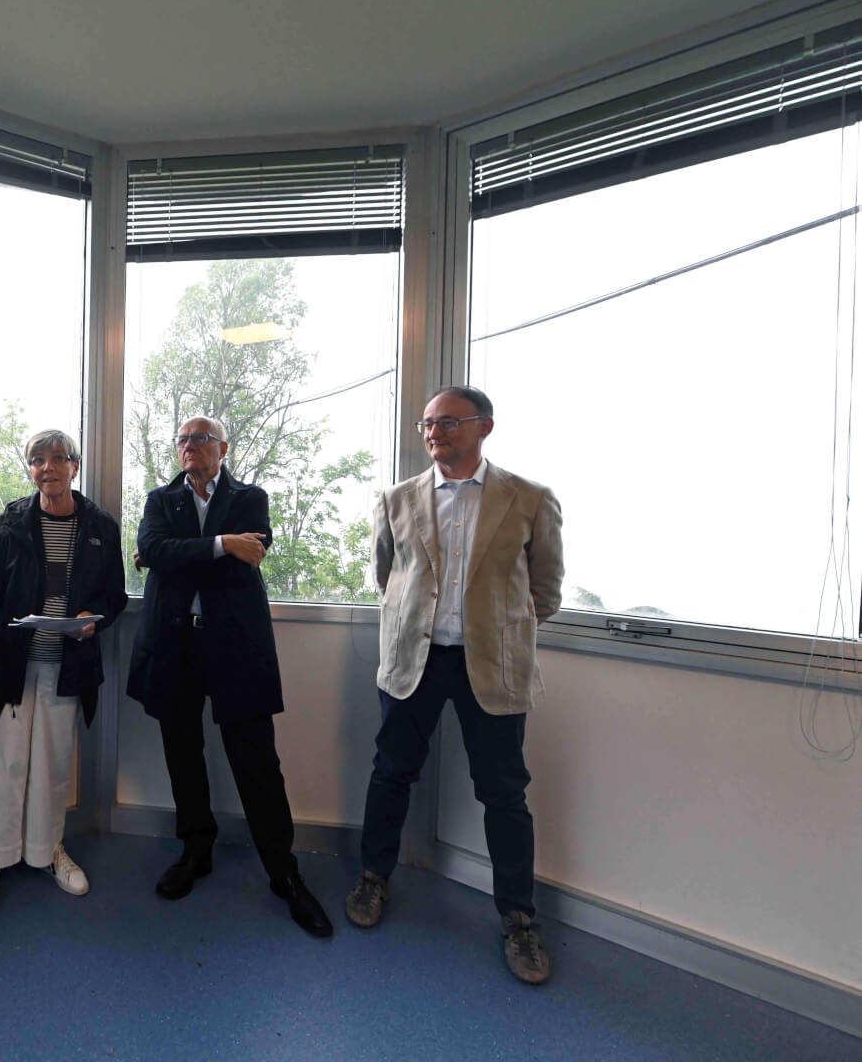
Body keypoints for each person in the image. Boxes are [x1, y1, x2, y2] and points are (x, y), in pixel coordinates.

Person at [346, 386, 564, 985]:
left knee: (504, 792)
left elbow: (544, 590)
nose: (433, 433)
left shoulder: (530, 498)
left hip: (490, 664)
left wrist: (496, 627)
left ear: (484, 426)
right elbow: (388, 575)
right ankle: (372, 879)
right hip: (414, 661)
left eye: (447, 422)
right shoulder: (396, 498)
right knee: (391, 773)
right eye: (427, 424)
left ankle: (519, 919)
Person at [126, 416, 333, 938]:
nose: (189, 446)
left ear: (223, 448)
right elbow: (155, 551)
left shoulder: (250, 497)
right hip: (175, 645)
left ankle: (283, 872)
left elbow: (246, 556)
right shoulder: (160, 500)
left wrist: (174, 556)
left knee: (256, 761)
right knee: (182, 753)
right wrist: (220, 544)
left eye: (201, 438)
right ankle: (196, 852)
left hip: (235, 647)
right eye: (183, 439)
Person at [0, 429, 126, 918]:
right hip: (12, 663)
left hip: (67, 665)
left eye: (57, 458)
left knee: (51, 768)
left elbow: (114, 595)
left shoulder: (101, 527)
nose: (47, 468)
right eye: (37, 460)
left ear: (75, 466)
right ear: (29, 469)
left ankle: (47, 850)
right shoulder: (11, 522)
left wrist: (93, 621)